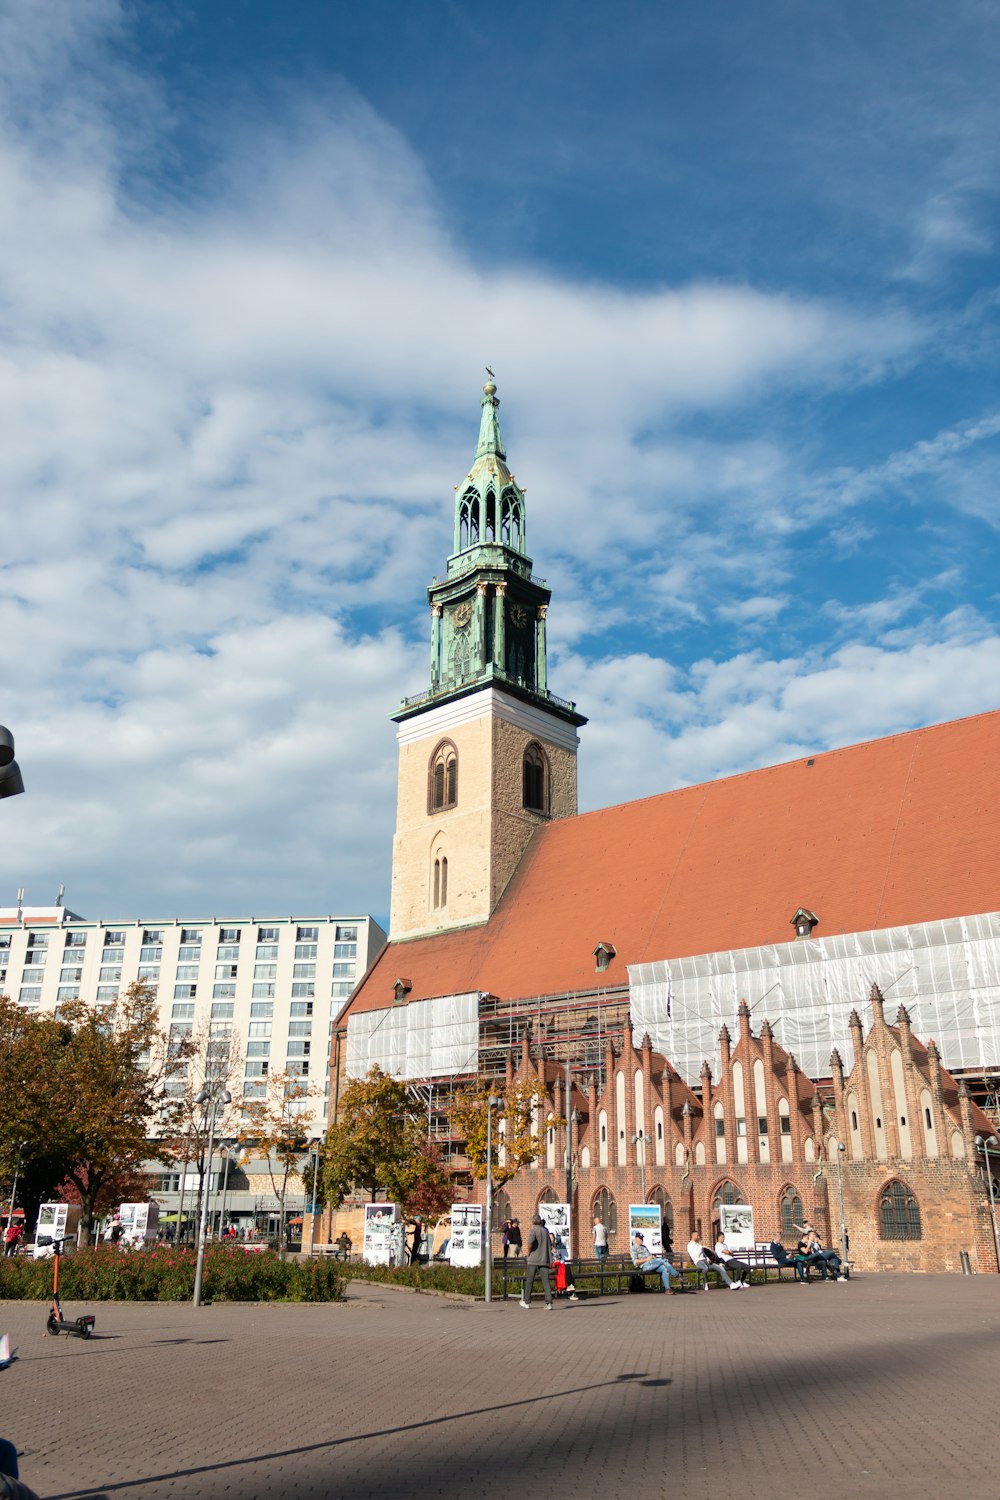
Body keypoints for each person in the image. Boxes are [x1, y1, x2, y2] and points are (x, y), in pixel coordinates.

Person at [519, 1214, 554, 1309]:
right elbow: (550, 1244)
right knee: (545, 1281)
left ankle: (527, 1302)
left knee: (530, 1281)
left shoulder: (533, 1230)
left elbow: (530, 1243)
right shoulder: (545, 1231)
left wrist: (529, 1252)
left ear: (533, 1221)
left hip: (533, 1260)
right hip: (544, 1259)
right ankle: (549, 1302)